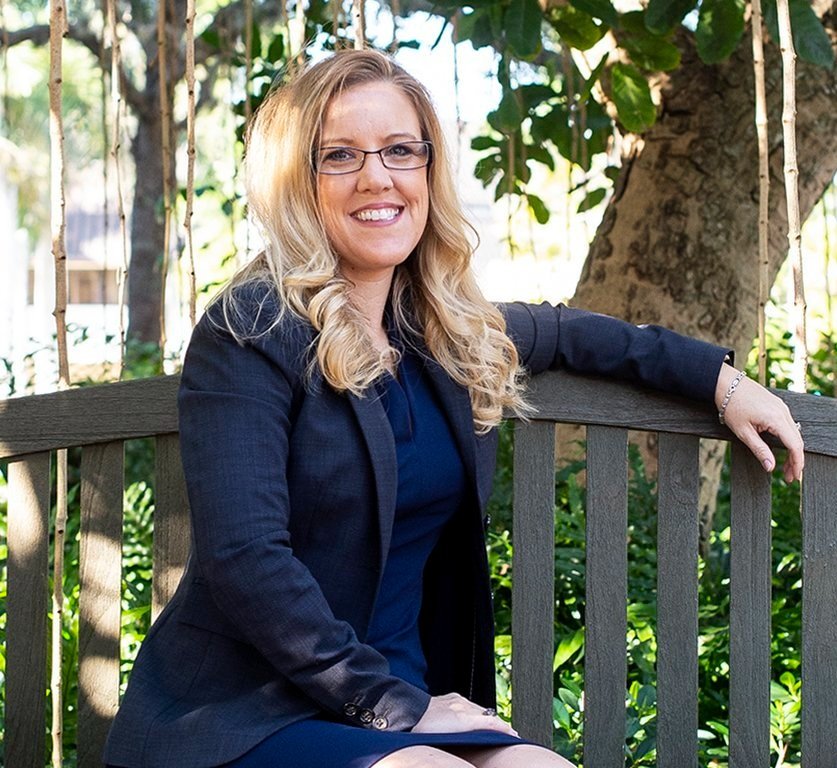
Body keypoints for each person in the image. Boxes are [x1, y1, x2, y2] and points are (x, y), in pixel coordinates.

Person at [104, 49, 804, 768]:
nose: (377, 175)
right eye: (339, 155)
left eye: (400, 151)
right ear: (296, 184)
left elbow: (569, 332)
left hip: (399, 699)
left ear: (428, 170)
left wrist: (722, 384)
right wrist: (395, 705)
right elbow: (246, 560)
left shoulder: (441, 332)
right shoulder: (249, 332)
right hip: (242, 712)